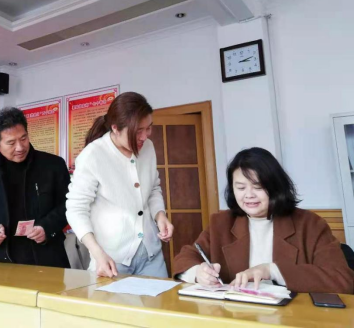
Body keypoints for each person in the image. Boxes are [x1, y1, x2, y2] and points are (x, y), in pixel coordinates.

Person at [173, 147, 354, 293]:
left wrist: (272, 270)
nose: (249, 195)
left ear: (276, 187)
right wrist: (198, 272)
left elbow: (341, 279)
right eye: (241, 188)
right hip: (235, 316)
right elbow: (185, 258)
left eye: (258, 187)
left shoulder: (310, 224)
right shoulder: (221, 223)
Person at [66, 92, 173, 278]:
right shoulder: (93, 155)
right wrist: (97, 253)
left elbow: (153, 187)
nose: (145, 136)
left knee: (162, 297)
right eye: (138, 131)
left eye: (149, 128)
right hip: (110, 260)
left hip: (151, 255)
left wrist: (160, 215)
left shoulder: (148, 148)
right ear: (115, 128)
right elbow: (75, 209)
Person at [0, 107, 70, 268]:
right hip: (2, 259)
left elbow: (69, 205)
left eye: (23, 138)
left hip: (47, 257)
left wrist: (47, 227)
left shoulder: (53, 166)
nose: (20, 147)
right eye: (11, 143)